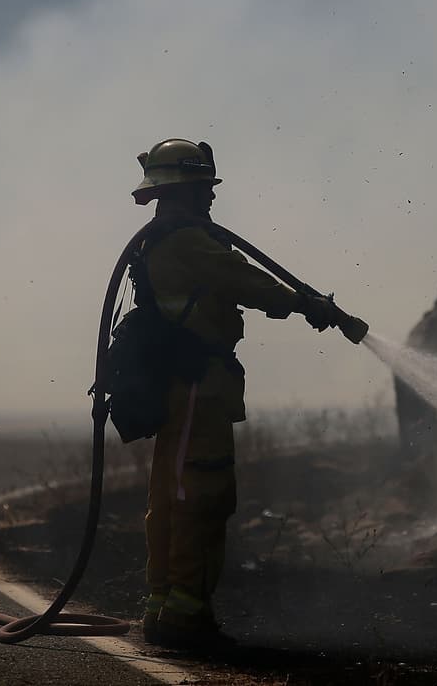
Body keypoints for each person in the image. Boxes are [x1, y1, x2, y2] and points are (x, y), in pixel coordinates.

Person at [131, 138, 338, 653]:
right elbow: (243, 278)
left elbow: (230, 280)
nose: (211, 198)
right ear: (188, 185)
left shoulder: (168, 237)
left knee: (173, 494)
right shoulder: (186, 242)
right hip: (197, 386)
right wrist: (302, 303)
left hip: (186, 384)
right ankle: (184, 615)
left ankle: (166, 606)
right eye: (205, 187)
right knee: (199, 495)